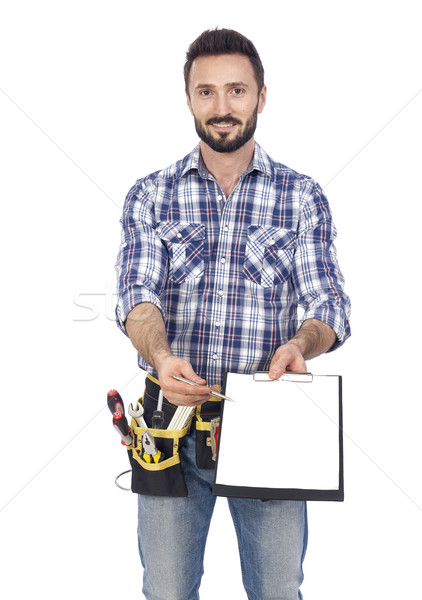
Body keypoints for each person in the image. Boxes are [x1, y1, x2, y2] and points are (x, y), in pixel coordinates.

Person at [115, 27, 351, 600]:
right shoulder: (151, 194)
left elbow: (329, 304)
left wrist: (303, 344)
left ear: (261, 97)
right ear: (189, 99)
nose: (222, 108)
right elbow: (136, 294)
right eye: (207, 92)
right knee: (166, 591)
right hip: (168, 423)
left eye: (237, 91)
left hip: (269, 426)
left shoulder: (302, 197)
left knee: (276, 589)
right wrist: (162, 354)